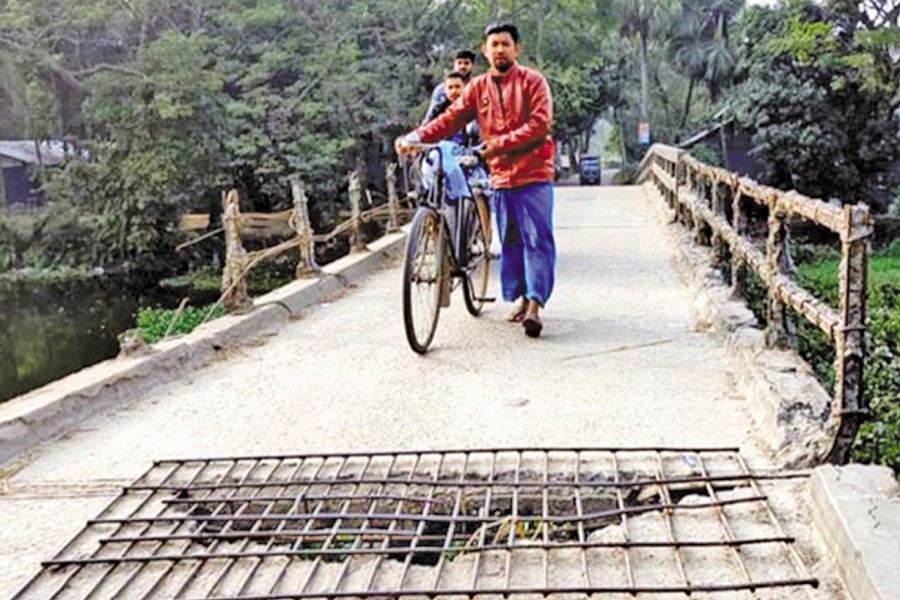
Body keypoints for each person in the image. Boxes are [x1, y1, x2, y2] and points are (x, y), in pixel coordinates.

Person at [396, 21, 556, 338]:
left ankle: (536, 305)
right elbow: (450, 119)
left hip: (533, 172)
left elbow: (540, 124)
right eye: (493, 44)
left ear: (516, 49)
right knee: (510, 240)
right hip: (500, 175)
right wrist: (414, 137)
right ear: (485, 50)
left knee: (536, 238)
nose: (499, 49)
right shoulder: (478, 87)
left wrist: (496, 145)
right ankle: (522, 297)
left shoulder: (533, 82)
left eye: (505, 44)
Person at [421, 49, 477, 126]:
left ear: (473, 65)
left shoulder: (477, 87)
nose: (462, 66)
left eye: (466, 63)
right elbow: (431, 116)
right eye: (459, 63)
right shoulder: (441, 90)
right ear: (454, 64)